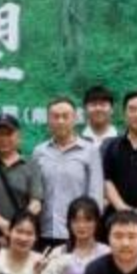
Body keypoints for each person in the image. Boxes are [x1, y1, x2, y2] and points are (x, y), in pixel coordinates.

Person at [33, 97, 105, 249]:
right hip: (44, 231)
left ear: (75, 119)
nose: (60, 121)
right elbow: (35, 193)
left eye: (65, 116)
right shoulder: (39, 151)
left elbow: (96, 195)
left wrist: (90, 229)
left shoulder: (90, 151)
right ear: (48, 120)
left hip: (77, 234)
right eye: (55, 116)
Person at [0, 114, 44, 239]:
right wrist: (2, 224)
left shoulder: (31, 165)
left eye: (9, 134)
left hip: (22, 235)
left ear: (18, 136)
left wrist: (17, 226)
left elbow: (36, 203)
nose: (4, 138)